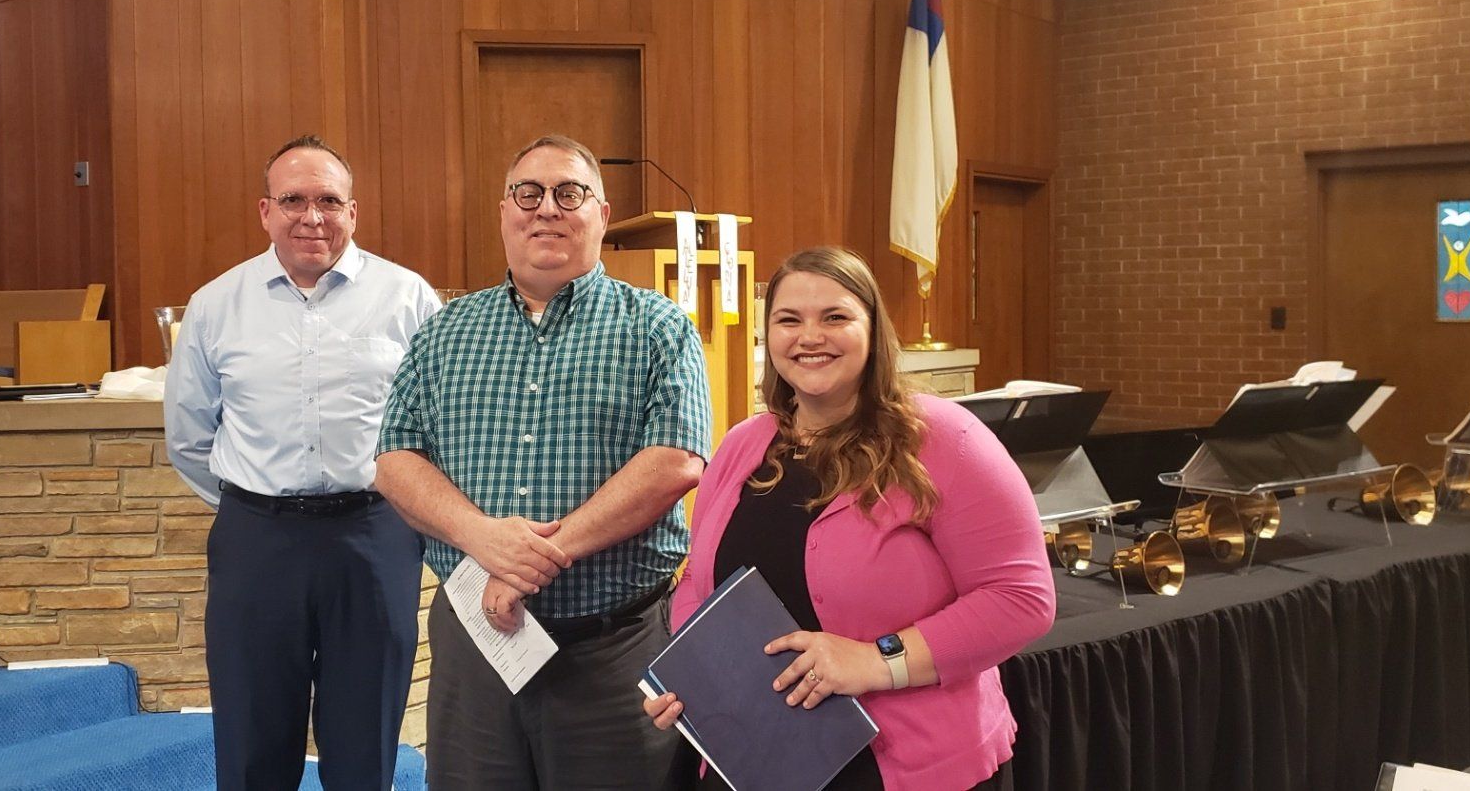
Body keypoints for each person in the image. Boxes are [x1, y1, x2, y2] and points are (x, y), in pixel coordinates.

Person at [644, 246, 1057, 791]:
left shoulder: (945, 440)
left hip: (905, 765)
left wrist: (876, 660)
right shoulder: (744, 444)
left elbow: (1020, 597)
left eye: (835, 317)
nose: (809, 336)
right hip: (751, 755)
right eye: (788, 320)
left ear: (873, 330)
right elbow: (698, 580)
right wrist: (695, 676)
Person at [375, 134, 711, 790]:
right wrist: (483, 539)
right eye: (528, 193)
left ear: (603, 214)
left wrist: (529, 562)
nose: (546, 208)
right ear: (504, 211)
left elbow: (674, 462)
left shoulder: (659, 326)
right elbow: (395, 459)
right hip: (477, 642)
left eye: (569, 193)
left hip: (614, 650)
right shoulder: (445, 330)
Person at [164, 135, 437, 791]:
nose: (311, 216)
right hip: (259, 539)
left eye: (328, 201)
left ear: (354, 212)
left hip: (374, 536)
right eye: (293, 200)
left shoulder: (411, 300)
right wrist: (258, 503)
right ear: (265, 211)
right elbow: (189, 436)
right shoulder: (216, 304)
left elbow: (439, 426)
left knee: (365, 747)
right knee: (254, 742)